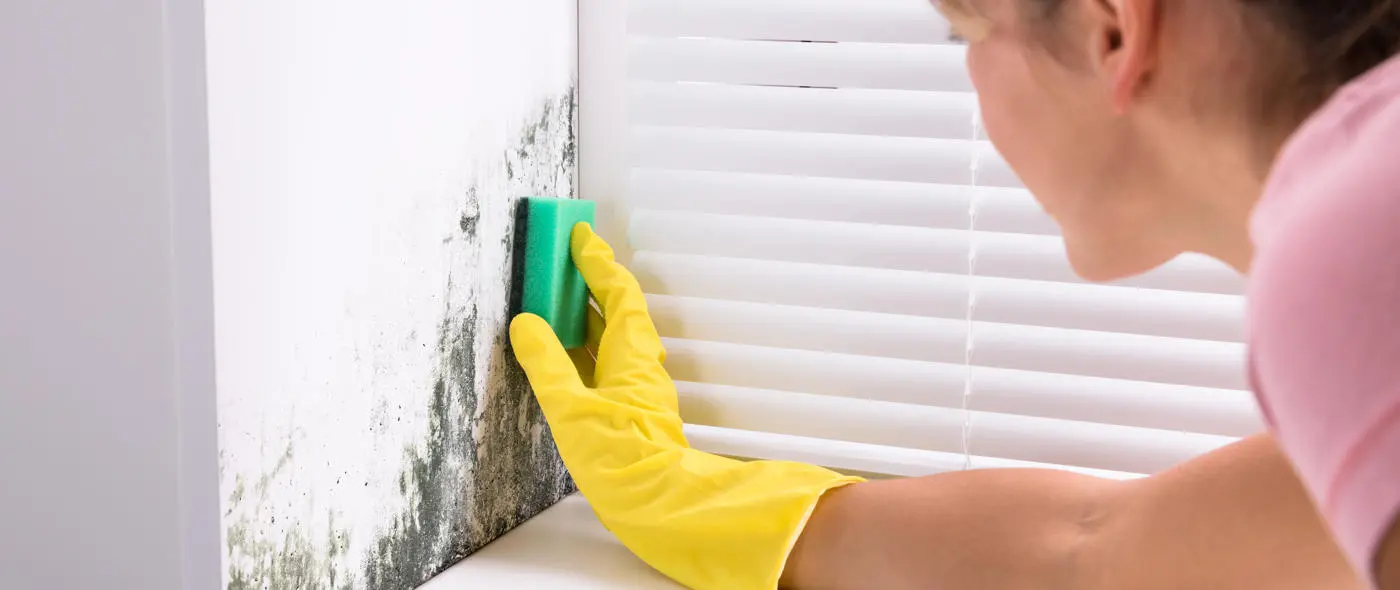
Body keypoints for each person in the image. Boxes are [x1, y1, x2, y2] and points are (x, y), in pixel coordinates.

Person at [508, 0, 1400, 588]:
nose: (971, 77)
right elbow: (1095, 548)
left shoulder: (1348, 249)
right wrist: (683, 492)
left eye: (967, 33)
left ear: (1112, 32)